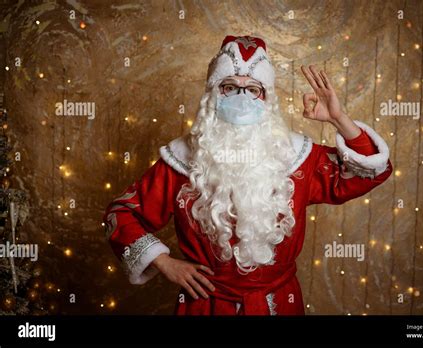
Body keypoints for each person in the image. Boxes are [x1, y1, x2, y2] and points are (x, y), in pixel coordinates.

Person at [103, 35, 392, 315]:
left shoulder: (296, 156)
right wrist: (163, 261)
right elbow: (121, 214)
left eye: (253, 89)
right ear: (212, 94)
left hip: (280, 302)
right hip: (205, 303)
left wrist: (339, 120)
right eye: (229, 87)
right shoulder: (181, 161)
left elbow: (368, 173)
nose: (242, 97)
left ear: (267, 98)